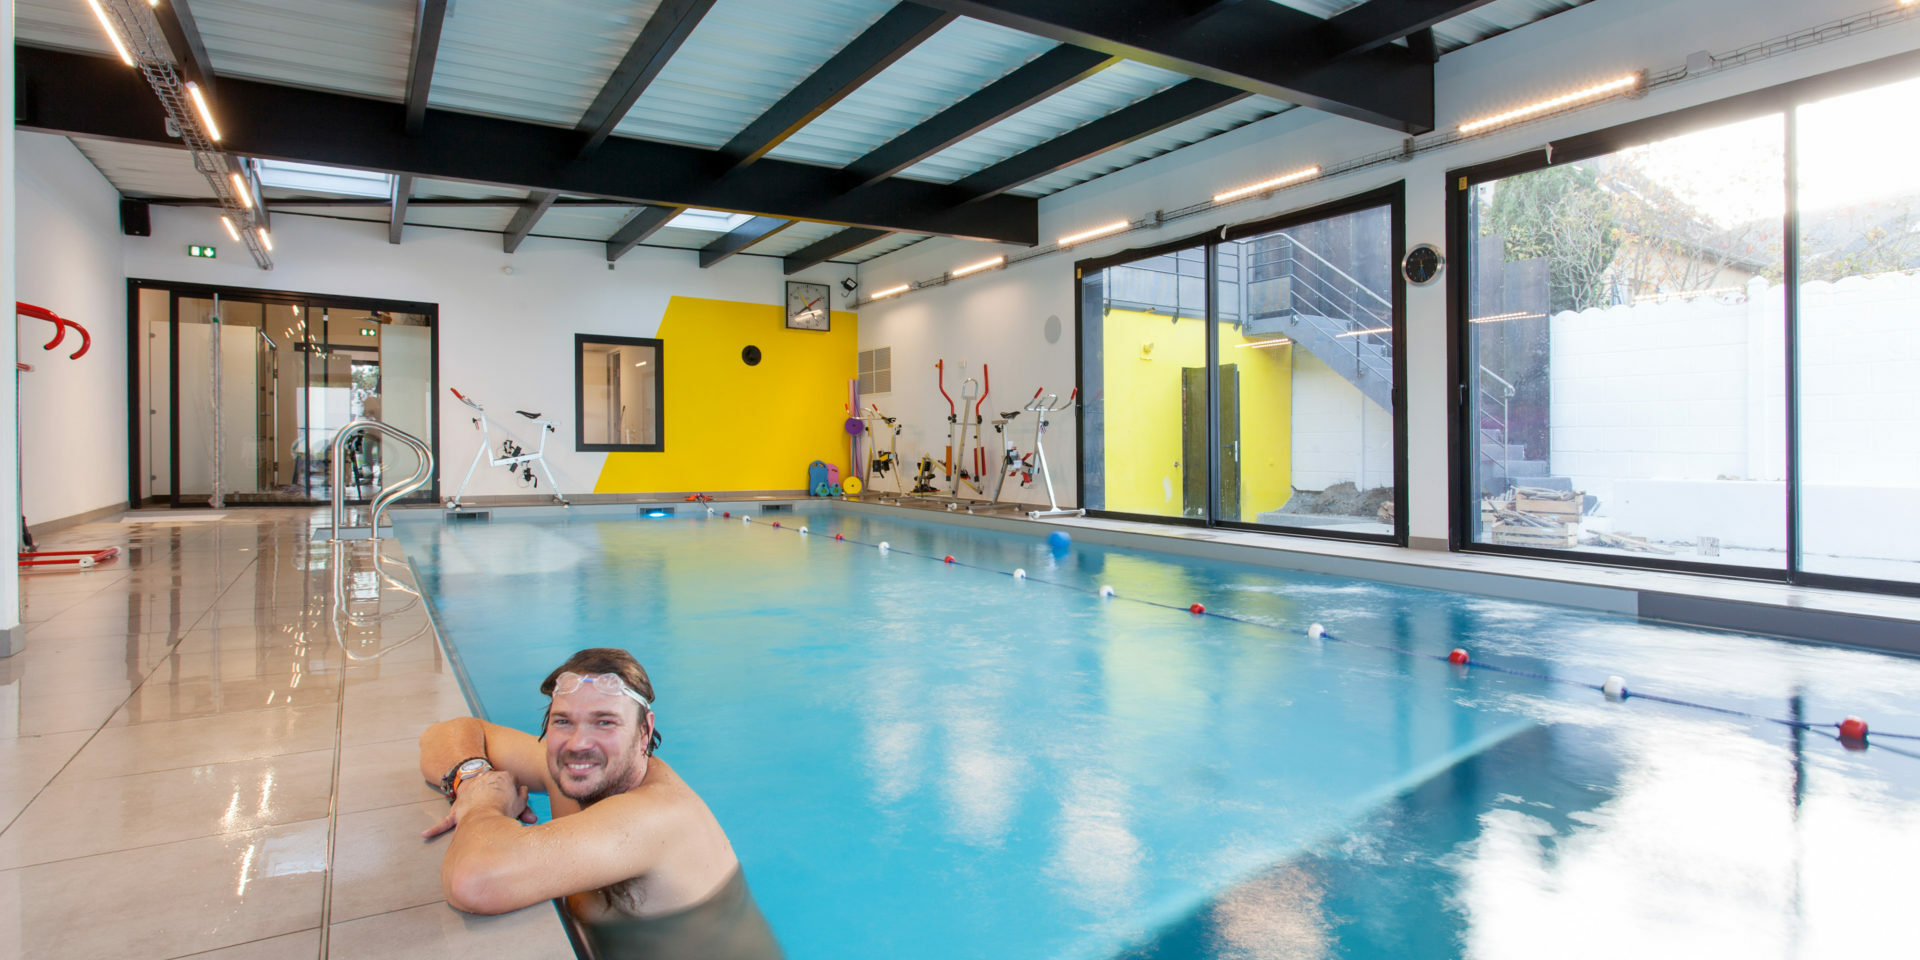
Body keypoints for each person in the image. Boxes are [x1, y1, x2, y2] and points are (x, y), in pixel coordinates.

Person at [417, 647, 780, 958]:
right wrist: (473, 775)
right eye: (563, 721)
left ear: (644, 732)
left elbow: (474, 882)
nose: (578, 743)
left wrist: (483, 803)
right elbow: (449, 733)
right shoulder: (578, 772)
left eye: (604, 722)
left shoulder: (657, 816)